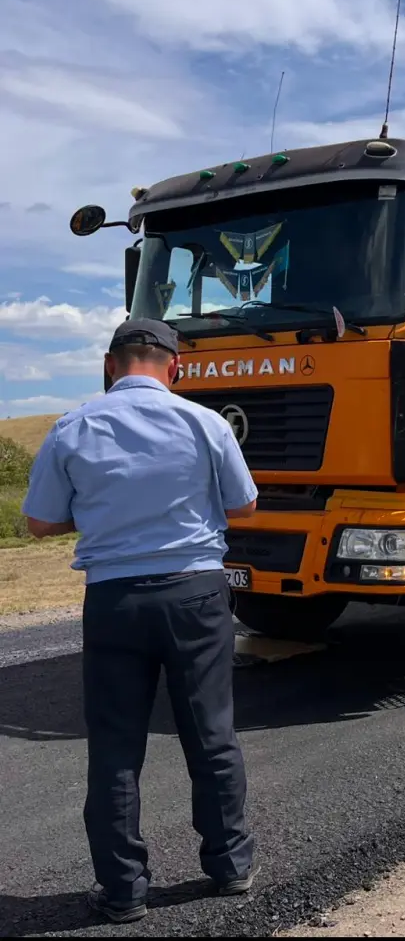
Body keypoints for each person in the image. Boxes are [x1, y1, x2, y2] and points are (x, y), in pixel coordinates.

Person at [22, 318, 258, 924]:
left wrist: (103, 516)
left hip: (114, 600)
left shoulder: (72, 427)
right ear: (174, 367)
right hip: (197, 596)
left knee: (116, 747)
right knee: (210, 734)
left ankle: (124, 891)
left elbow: (40, 523)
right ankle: (229, 867)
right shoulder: (206, 423)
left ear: (110, 364)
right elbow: (244, 503)